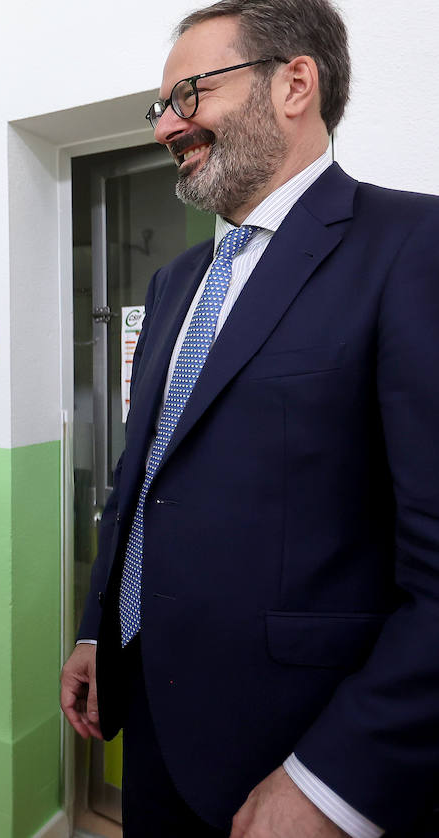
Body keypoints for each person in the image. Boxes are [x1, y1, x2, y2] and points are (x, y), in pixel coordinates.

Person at [58, 1, 439, 836]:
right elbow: (144, 477)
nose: (167, 127)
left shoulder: (414, 246)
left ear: (295, 82)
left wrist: (334, 782)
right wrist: (97, 632)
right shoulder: (174, 282)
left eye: (189, 93)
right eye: (160, 105)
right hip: (151, 716)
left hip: (298, 747)